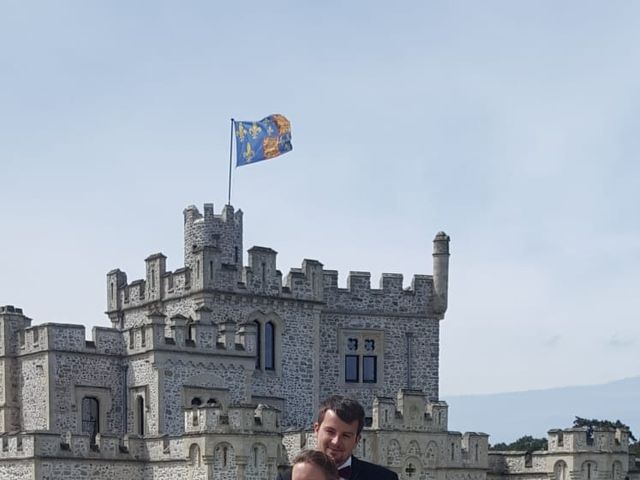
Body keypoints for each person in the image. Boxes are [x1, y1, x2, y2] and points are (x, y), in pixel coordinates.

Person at [277, 395, 398, 480]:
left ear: (356, 440)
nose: (336, 442)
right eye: (330, 431)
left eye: (346, 435)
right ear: (316, 430)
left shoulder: (383, 478)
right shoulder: (288, 478)